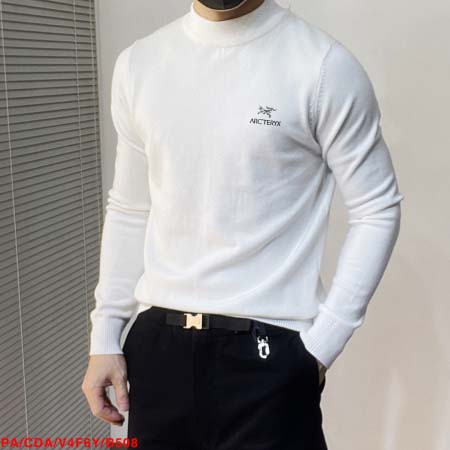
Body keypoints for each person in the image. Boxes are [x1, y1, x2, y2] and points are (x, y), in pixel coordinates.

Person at [82, 0, 404, 448]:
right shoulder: (140, 64)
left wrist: (322, 346)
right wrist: (105, 335)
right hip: (158, 351)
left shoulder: (323, 67)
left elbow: (377, 207)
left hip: (269, 354)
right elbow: (130, 209)